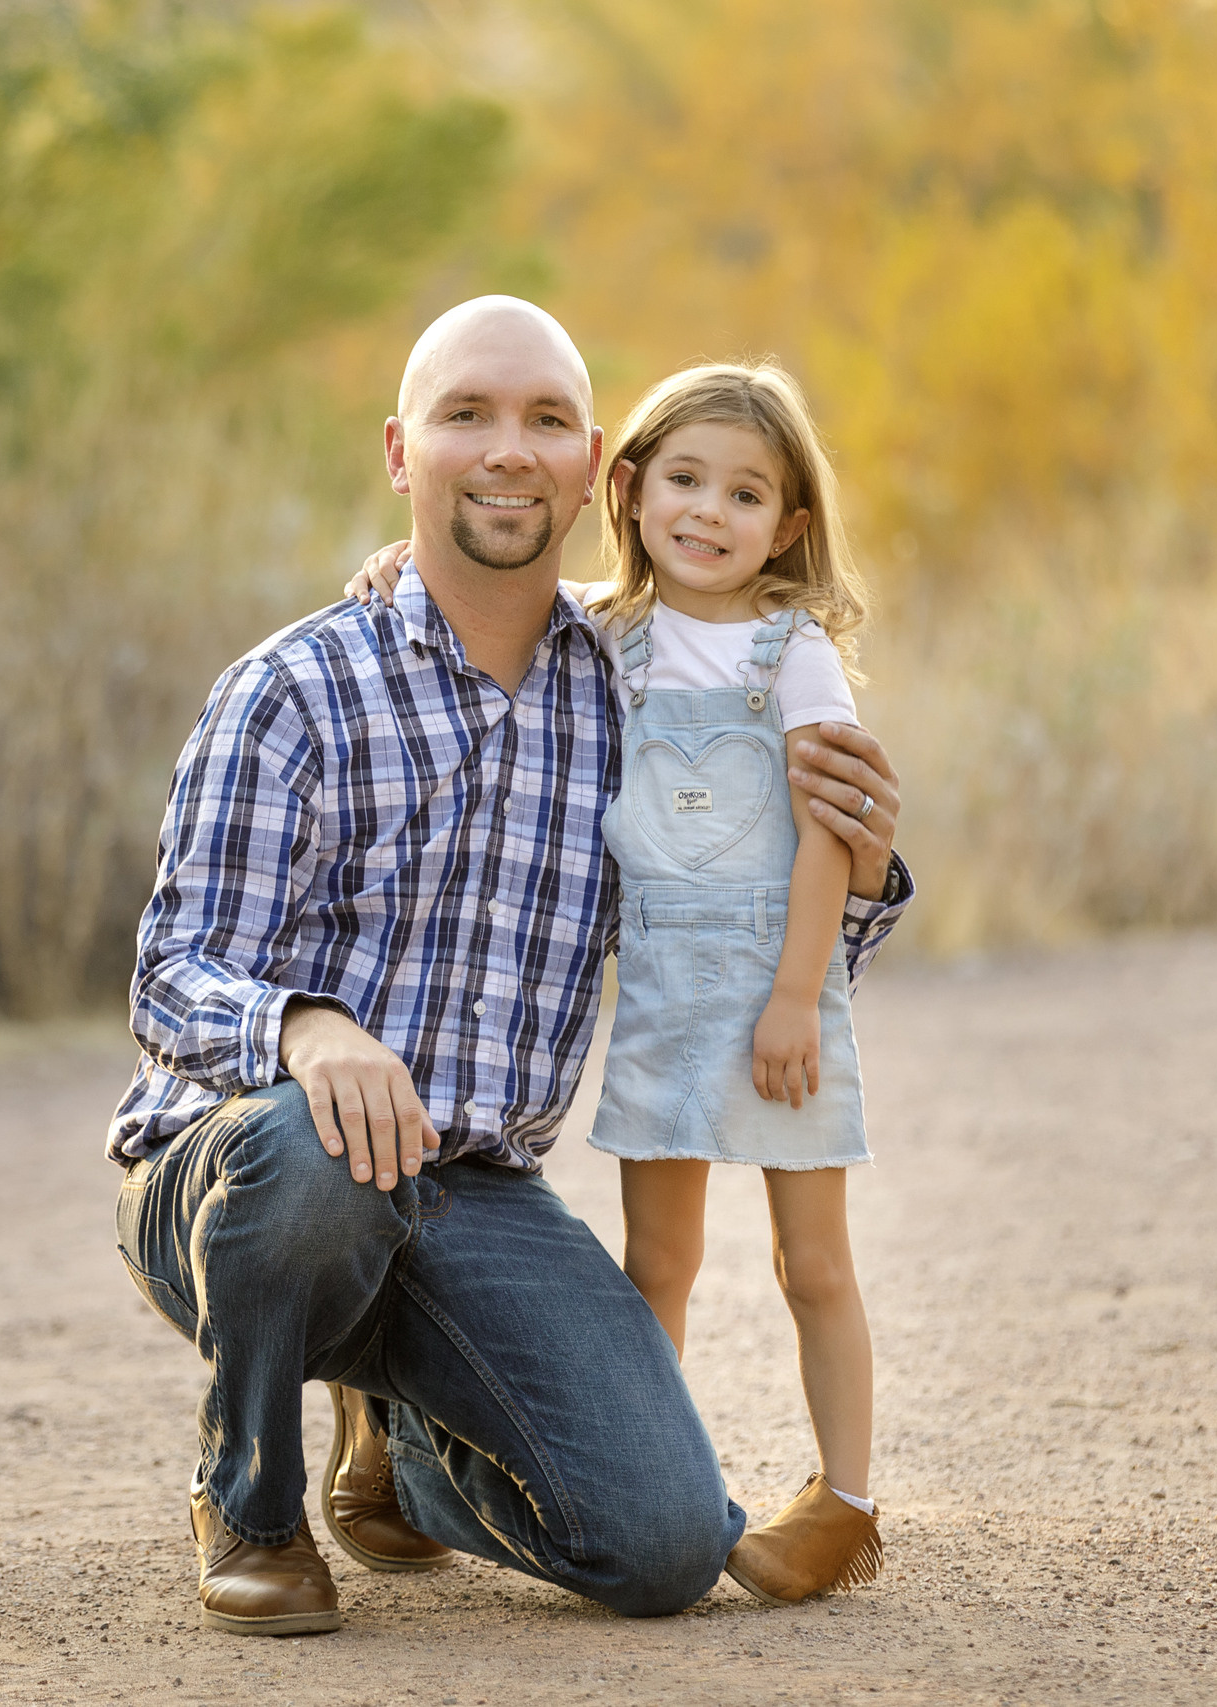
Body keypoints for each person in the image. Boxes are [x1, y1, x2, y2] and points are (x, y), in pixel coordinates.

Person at [109, 297, 914, 1636]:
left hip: (471, 1190)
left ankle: (412, 1452)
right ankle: (250, 1496)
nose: (506, 447)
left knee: (661, 1546)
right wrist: (312, 1029)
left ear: (596, 466)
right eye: (465, 415)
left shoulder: (629, 692)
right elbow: (172, 978)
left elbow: (734, 920)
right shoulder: (293, 688)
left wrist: (868, 870)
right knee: (322, 1157)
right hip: (248, 1169)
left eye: (544, 420)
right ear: (399, 451)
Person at [345, 362, 884, 1604]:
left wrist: (797, 995)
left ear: (788, 527)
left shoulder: (793, 654)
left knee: (814, 1264)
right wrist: (398, 558)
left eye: (745, 494)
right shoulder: (608, 631)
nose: (708, 513)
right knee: (660, 1264)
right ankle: (659, 1472)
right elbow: (485, 581)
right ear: (629, 491)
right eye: (684, 481)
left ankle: (844, 1501)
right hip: (660, 1010)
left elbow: (826, 834)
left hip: (780, 1002)